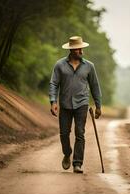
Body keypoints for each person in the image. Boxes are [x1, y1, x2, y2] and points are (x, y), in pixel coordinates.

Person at [49, 36, 102, 173]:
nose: (81, 50)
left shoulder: (89, 66)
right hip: (65, 104)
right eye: (78, 48)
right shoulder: (59, 65)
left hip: (82, 104)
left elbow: (95, 86)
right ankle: (67, 153)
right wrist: (53, 101)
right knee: (64, 133)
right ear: (72, 50)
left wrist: (98, 105)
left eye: (81, 48)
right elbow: (54, 83)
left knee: (80, 133)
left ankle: (77, 163)